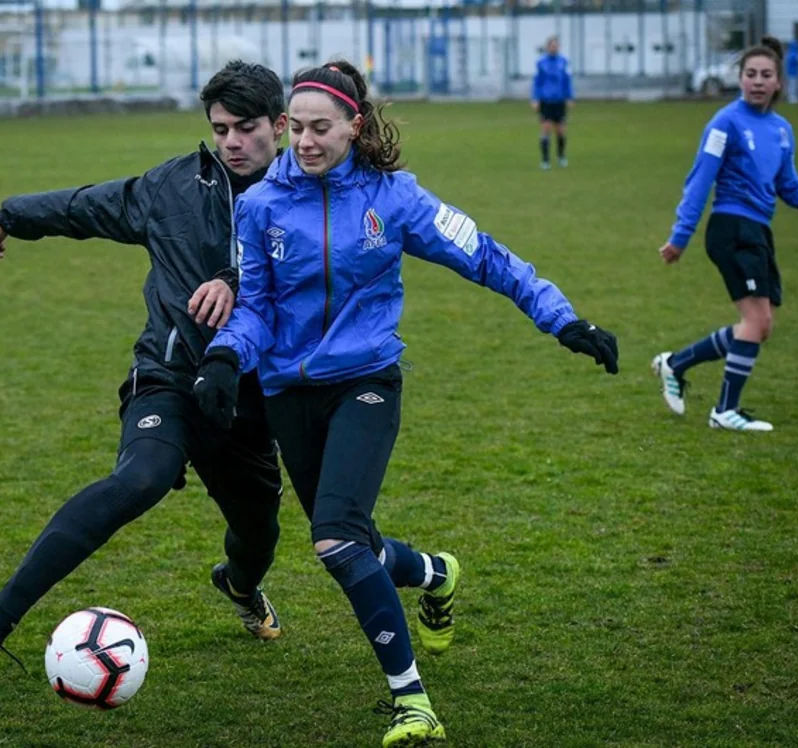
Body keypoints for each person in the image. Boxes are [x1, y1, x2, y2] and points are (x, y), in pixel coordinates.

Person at [193, 60, 618, 747]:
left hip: (366, 381)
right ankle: (434, 573)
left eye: (319, 128)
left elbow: (486, 255)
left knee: (334, 539)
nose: (303, 141)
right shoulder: (261, 204)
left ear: (353, 127)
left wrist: (561, 318)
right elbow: (257, 310)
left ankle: (412, 701)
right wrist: (223, 357)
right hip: (286, 394)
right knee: (352, 541)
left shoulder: (396, 199)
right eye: (294, 127)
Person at [0, 61, 294, 696]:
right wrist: (12, 217)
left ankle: (239, 585)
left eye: (246, 128)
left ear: (281, 127)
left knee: (259, 534)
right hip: (170, 379)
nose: (232, 142)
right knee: (140, 479)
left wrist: (235, 285)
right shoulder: (173, 187)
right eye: (220, 129)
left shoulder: (308, 195)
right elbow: (90, 206)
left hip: (249, 398)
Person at [652, 37, 798, 432]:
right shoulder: (725, 123)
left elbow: (786, 183)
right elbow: (700, 180)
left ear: (778, 83)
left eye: (765, 75)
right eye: (750, 74)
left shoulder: (782, 130)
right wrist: (681, 235)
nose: (757, 81)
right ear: (739, 79)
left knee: (760, 325)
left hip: (757, 230)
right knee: (756, 321)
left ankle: (676, 363)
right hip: (731, 228)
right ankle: (724, 411)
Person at [531, 35, 574, 170]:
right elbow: (537, 82)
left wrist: (570, 97)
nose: (554, 47)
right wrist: (535, 98)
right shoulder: (541, 63)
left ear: (558, 47)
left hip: (559, 101)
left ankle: (561, 156)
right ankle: (545, 160)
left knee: (561, 130)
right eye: (551, 45)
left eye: (556, 45)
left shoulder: (564, 62)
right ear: (547, 47)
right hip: (546, 101)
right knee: (546, 129)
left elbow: (567, 81)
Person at [785, 39, 798, 104]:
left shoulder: (790, 53)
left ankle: (793, 96)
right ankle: (791, 97)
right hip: (793, 72)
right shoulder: (793, 54)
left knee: (793, 85)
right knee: (793, 85)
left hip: (792, 72)